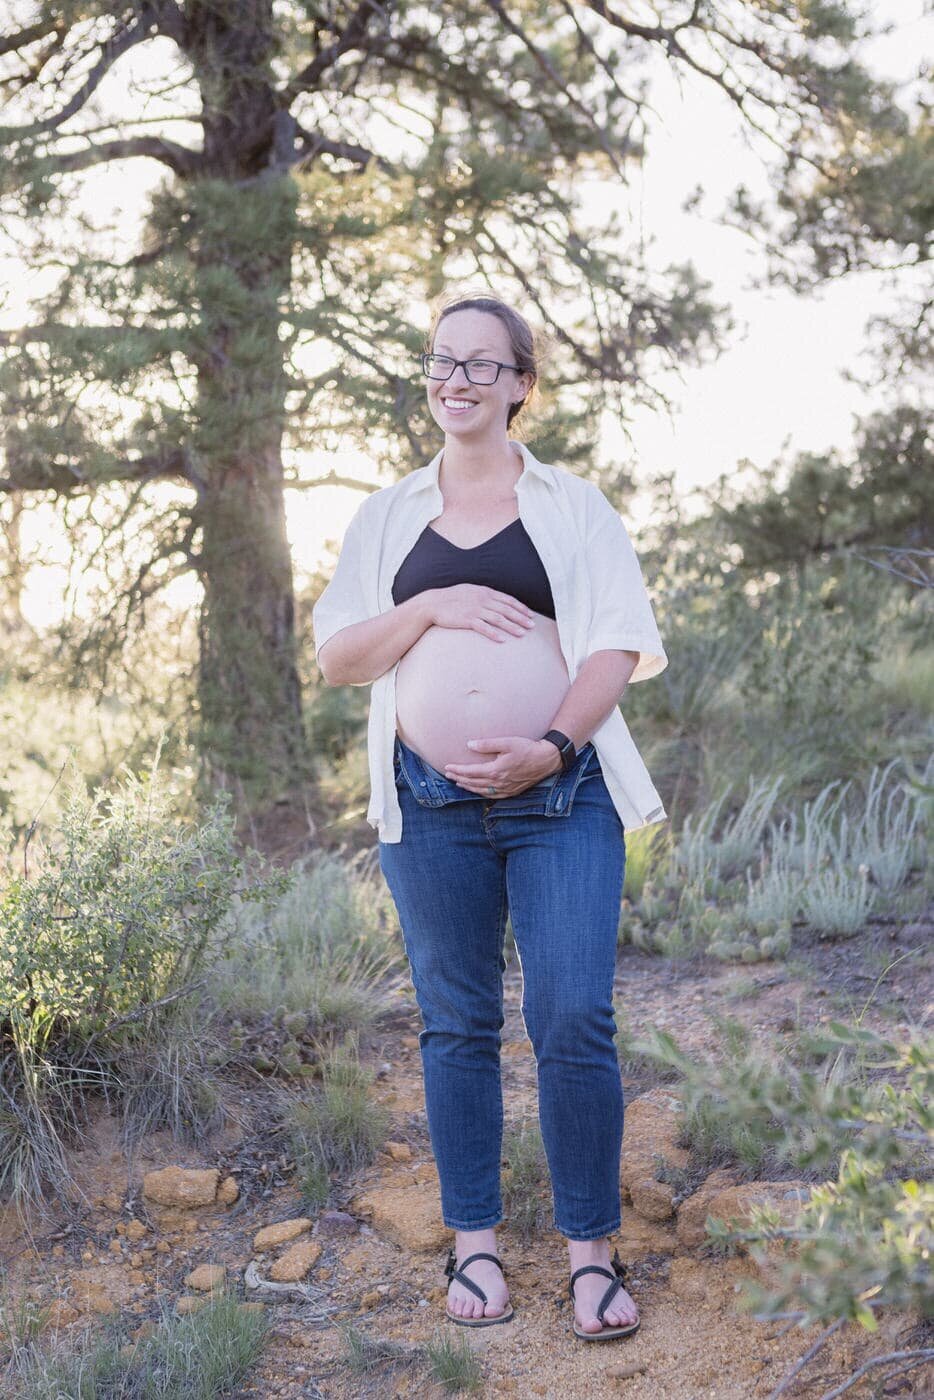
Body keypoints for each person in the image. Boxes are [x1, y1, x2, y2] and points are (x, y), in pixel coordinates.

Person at [313, 291, 668, 1341]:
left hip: (560, 794)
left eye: (481, 363)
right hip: (428, 804)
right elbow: (338, 656)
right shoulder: (385, 516)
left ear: (520, 384)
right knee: (456, 1021)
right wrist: (429, 604)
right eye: (440, 360)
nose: (456, 379)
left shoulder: (573, 506)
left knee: (570, 1016)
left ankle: (590, 1256)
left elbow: (613, 646)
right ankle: (474, 1240)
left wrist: (548, 747)